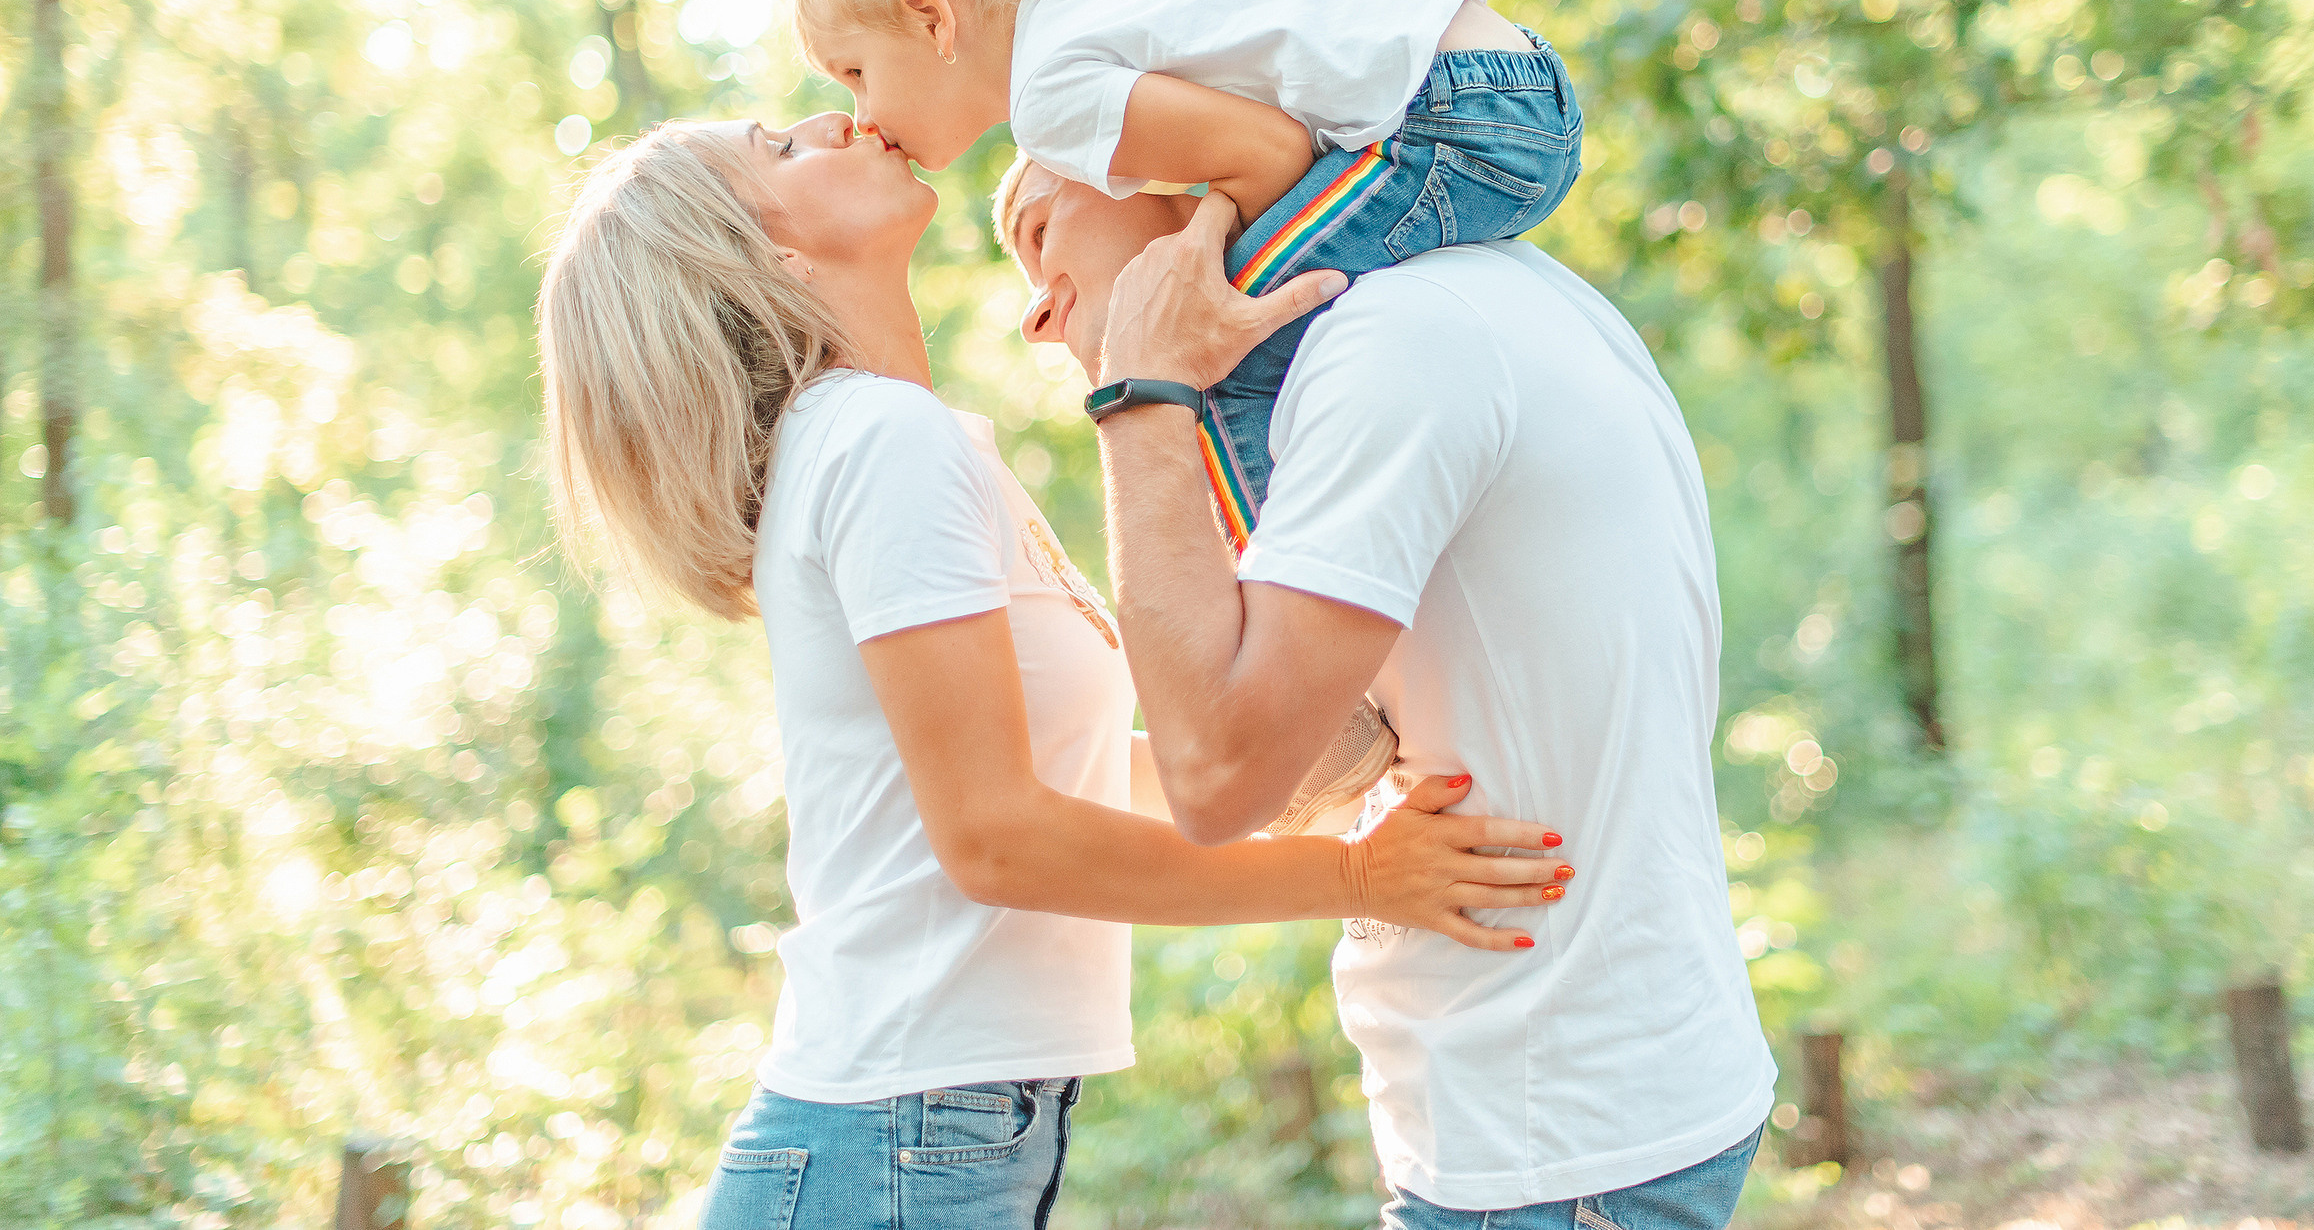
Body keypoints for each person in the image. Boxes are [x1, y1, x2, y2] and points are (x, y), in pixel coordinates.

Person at [536, 112, 1574, 1230]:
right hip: (893, 1139)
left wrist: (1306, 785)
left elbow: (1052, 775)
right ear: (771, 261)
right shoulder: (878, 441)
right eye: (783, 151)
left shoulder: (899, 438)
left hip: (918, 1128)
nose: (833, 117)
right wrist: (1355, 878)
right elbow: (996, 835)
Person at [997, 159, 1778, 1228]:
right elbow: (1316, 757)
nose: (1035, 312)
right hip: (1563, 1101)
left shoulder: (1396, 344)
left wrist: (1140, 397)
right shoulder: (1494, 292)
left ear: (1146, 161)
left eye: (1038, 230)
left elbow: (1219, 778)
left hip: (1548, 1136)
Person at [786, 0, 1582, 546]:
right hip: (1507, 83)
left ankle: (1292, 626)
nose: (862, 116)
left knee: (1203, 351)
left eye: (856, 73)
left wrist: (1193, 269)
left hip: (1457, 120)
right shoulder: (1085, 4)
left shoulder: (1046, 95)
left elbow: (1272, 153)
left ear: (931, 17)